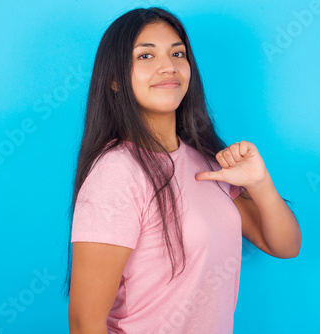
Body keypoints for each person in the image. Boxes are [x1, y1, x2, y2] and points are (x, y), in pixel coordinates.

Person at [65, 6, 301, 334]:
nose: (168, 67)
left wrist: (260, 184)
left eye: (177, 53)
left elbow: (286, 246)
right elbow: (84, 323)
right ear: (115, 80)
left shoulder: (207, 162)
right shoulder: (117, 173)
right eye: (146, 57)